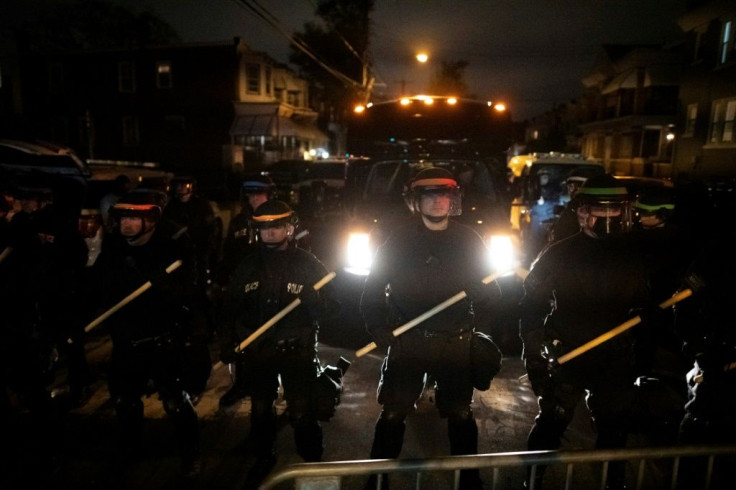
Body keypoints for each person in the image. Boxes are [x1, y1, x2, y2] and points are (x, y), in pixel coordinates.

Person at [360, 167, 502, 490]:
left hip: (455, 342)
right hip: (408, 341)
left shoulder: (470, 240)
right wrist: (376, 326)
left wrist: (485, 297)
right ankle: (376, 481)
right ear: (415, 201)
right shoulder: (398, 240)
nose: (438, 201)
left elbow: (494, 294)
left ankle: (469, 480)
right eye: (429, 195)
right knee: (393, 414)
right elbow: (372, 290)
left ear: (454, 200)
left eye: (444, 195)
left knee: (461, 415)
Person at [518, 174, 654, 490]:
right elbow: (531, 306)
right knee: (553, 419)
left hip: (615, 354)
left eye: (614, 210)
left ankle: (613, 483)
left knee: (614, 427)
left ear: (624, 212)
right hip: (569, 350)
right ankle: (532, 480)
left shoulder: (635, 254)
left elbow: (646, 302)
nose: (607, 217)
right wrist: (534, 351)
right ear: (581, 212)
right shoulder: (559, 253)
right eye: (599, 209)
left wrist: (649, 317)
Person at [218, 199, 340, 487]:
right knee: (261, 408)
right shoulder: (248, 266)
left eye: (277, 226)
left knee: (301, 410)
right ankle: (263, 455)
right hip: (258, 352)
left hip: (296, 351)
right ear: (256, 231)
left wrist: (315, 305)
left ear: (290, 227)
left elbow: (333, 308)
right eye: (264, 227)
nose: (270, 232)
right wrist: (227, 340)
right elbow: (229, 308)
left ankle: (312, 460)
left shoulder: (309, 264)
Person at [87, 191, 210, 478]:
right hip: (127, 340)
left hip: (163, 339)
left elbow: (192, 295)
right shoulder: (114, 248)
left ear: (151, 220)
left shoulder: (172, 248)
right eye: (123, 218)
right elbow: (96, 288)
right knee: (124, 400)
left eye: (134, 218)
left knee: (175, 401)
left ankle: (191, 454)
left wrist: (167, 287)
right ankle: (130, 450)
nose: (126, 224)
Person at [672, 218, 736, 490]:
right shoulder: (720, 252)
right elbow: (684, 304)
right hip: (716, 365)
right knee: (699, 431)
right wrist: (702, 350)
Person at [217, 173, 276, 409]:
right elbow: (229, 252)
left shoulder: (280, 219)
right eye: (250, 194)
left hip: (274, 288)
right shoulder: (240, 222)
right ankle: (241, 384)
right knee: (242, 337)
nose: (254, 199)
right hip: (246, 289)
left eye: (259, 193)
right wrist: (221, 279)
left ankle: (277, 386)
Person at [163, 175, 219, 335]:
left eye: (184, 185)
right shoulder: (171, 207)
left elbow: (211, 230)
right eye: (178, 186)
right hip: (179, 258)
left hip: (200, 256)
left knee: (204, 294)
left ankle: (210, 327)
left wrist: (207, 252)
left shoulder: (201, 205)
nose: (181, 189)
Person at [546, 167, 590, 244]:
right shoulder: (571, 207)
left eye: (573, 186)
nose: (570, 191)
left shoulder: (579, 207)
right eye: (569, 187)